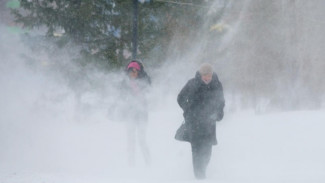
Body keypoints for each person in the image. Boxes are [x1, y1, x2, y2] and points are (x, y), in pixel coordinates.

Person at [177, 63, 225, 179]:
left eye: (209, 75)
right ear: (200, 74)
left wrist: (218, 114)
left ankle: (202, 172)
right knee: (197, 151)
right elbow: (180, 98)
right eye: (205, 75)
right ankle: (199, 177)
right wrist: (188, 110)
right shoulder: (192, 83)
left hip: (209, 124)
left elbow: (221, 102)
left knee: (207, 153)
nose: (207, 78)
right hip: (194, 123)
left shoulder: (217, 85)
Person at [120, 60, 151, 166]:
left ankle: (149, 163)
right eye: (130, 71)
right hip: (130, 115)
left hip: (142, 115)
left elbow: (150, 92)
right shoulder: (125, 83)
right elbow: (121, 97)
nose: (133, 74)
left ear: (139, 72)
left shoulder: (144, 81)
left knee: (142, 140)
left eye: (135, 71)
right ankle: (131, 164)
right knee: (131, 141)